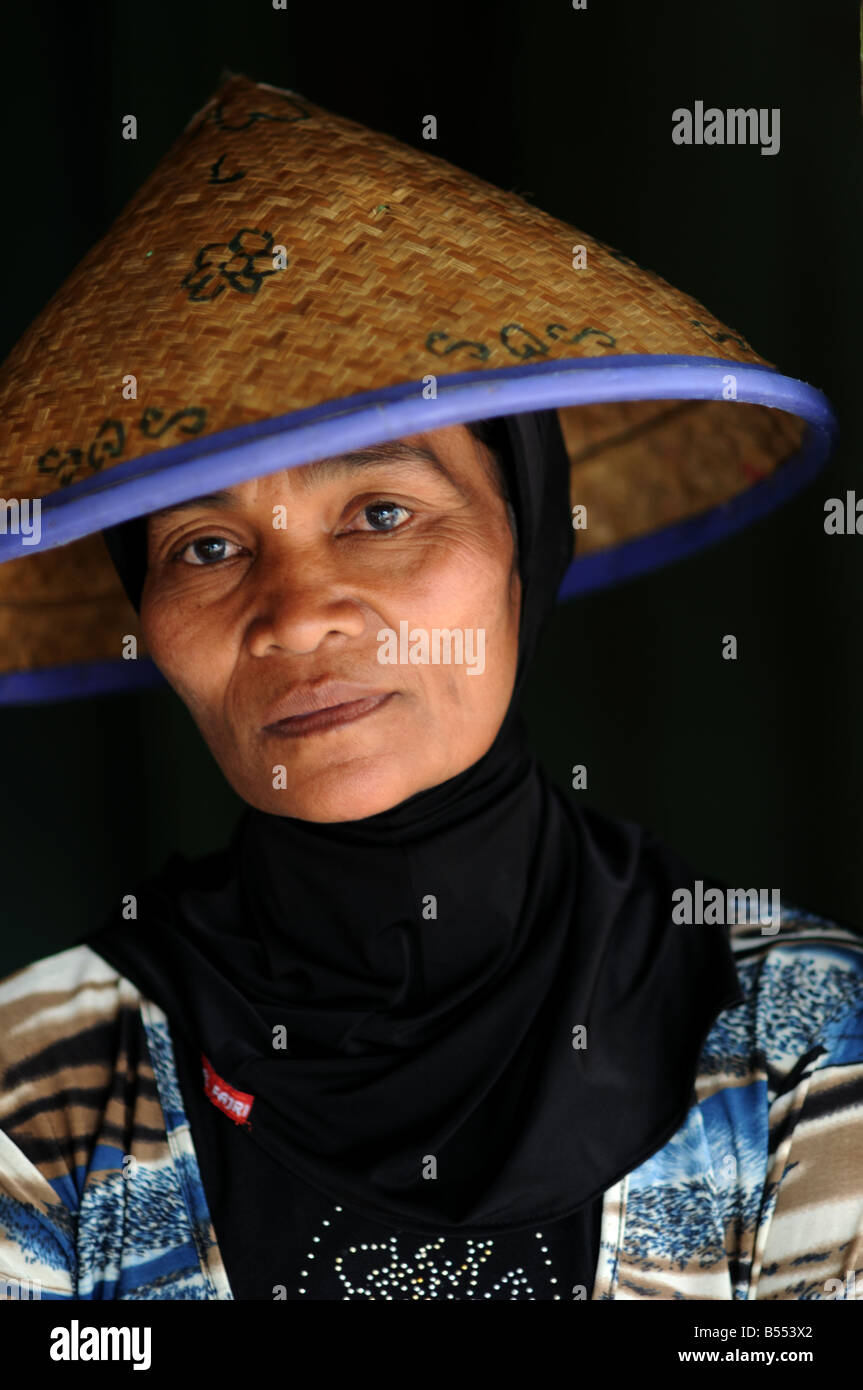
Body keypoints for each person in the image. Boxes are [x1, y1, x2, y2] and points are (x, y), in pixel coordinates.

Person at [0, 73, 860, 1303]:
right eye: (204, 546)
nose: (294, 612)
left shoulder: (804, 1036)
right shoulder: (38, 1085)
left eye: (382, 511)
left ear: (526, 551)